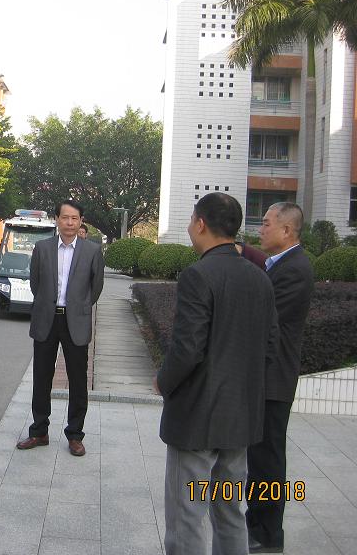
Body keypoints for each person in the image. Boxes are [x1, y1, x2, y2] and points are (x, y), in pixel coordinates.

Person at [154, 193, 278, 555]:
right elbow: (271, 346)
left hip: (197, 418)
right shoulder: (260, 278)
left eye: (191, 220)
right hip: (240, 417)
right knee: (230, 513)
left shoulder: (199, 275)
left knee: (187, 518)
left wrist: (163, 381)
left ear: (201, 224)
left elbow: (187, 349)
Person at [246, 202, 314, 554]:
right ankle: (257, 523)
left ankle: (268, 533)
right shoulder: (280, 264)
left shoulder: (295, 270)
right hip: (266, 377)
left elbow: (264, 317)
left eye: (267, 223)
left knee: (268, 459)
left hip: (274, 379)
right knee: (259, 458)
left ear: (287, 230)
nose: (261, 229)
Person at [16, 199, 104, 457]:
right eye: (65, 217)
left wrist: (79, 306)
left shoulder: (92, 251)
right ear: (57, 219)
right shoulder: (42, 248)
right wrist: (48, 303)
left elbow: (95, 288)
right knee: (42, 376)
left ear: (81, 221)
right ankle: (39, 431)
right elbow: (35, 283)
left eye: (74, 218)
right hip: (47, 318)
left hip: (75, 320)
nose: (69, 222)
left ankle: (75, 435)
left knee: (78, 380)